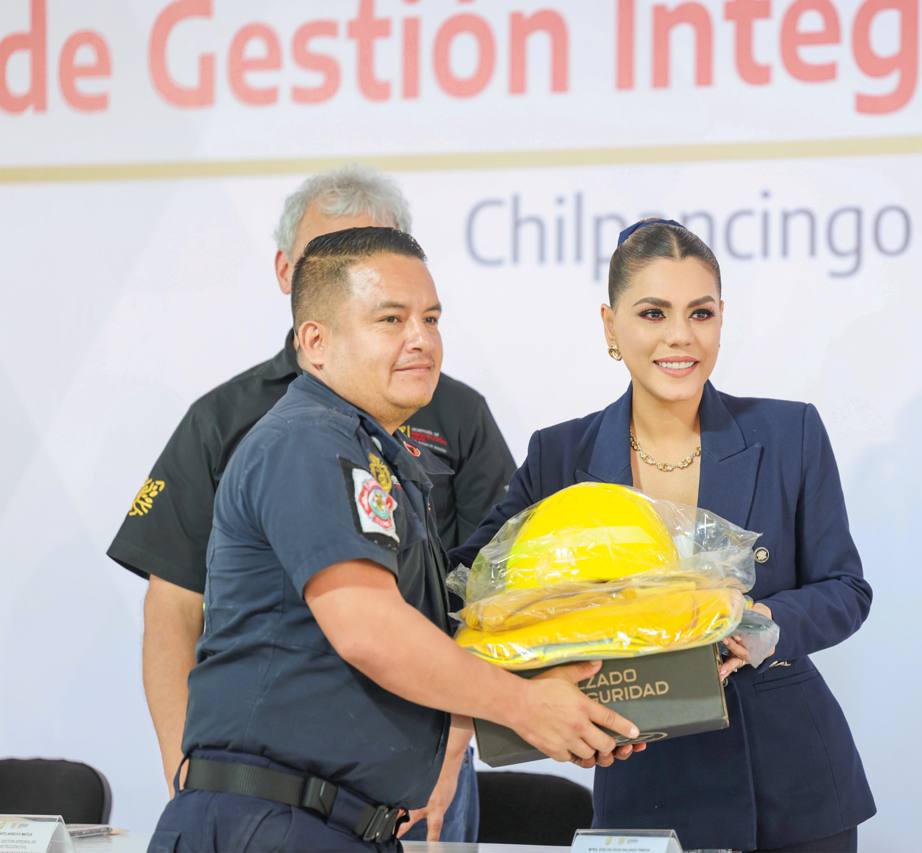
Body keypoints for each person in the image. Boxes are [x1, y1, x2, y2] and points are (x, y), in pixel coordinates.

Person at [148, 227, 641, 852]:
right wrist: (524, 706)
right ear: (315, 342)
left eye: (431, 319)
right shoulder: (307, 441)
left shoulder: (374, 455)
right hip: (274, 824)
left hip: (334, 824)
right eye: (391, 319)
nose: (421, 339)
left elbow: (431, 632)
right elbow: (369, 631)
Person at [107, 166, 512, 841]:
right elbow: (174, 605)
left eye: (381, 255)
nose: (413, 333)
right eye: (335, 256)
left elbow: (487, 599)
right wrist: (187, 767)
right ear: (290, 273)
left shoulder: (457, 412)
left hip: (420, 766)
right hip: (277, 793)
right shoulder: (237, 420)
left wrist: (451, 748)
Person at [451, 218, 875, 852]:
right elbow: (476, 590)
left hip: (791, 786)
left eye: (700, 313)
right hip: (640, 774)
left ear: (722, 319)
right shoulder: (559, 455)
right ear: (610, 326)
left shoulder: (791, 433)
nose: (680, 336)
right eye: (653, 313)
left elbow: (845, 589)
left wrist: (758, 623)